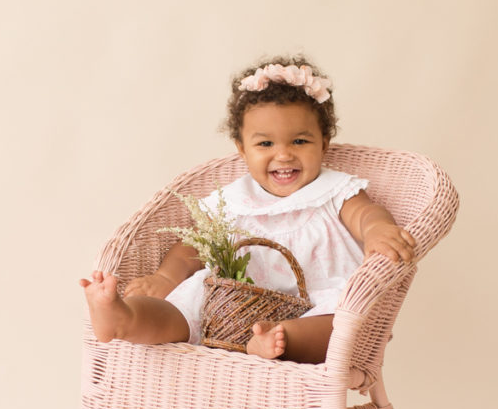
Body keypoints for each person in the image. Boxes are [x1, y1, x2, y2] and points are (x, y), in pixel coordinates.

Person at [80, 56, 416, 364]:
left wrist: (377, 231)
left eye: (300, 141)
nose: (283, 155)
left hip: (314, 301)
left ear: (324, 143)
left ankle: (281, 342)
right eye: (265, 144)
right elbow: (196, 244)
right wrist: (165, 278)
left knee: (339, 322)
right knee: (186, 306)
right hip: (230, 305)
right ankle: (124, 317)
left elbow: (364, 214)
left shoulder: (334, 190)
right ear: (242, 149)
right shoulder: (234, 199)